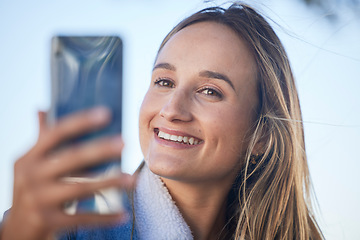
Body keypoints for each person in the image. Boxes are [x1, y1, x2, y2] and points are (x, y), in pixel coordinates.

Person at [0, 2, 323, 240]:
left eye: (210, 91)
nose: (171, 109)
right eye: (164, 81)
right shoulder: (69, 225)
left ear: (263, 134)